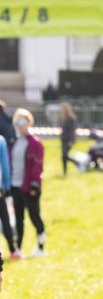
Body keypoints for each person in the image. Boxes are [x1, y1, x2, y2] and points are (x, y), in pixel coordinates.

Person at [9, 109, 46, 257]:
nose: (20, 125)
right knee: (18, 219)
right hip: (15, 185)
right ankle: (19, 249)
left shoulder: (36, 143)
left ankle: (41, 247)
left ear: (29, 123)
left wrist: (34, 184)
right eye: (17, 122)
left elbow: (38, 165)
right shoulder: (15, 142)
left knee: (34, 216)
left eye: (23, 122)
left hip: (29, 187)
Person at [59, 103, 80, 176]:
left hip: (68, 140)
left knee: (64, 156)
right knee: (64, 157)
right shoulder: (64, 118)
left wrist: (71, 140)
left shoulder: (71, 118)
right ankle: (65, 172)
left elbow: (72, 130)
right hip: (64, 140)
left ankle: (77, 163)